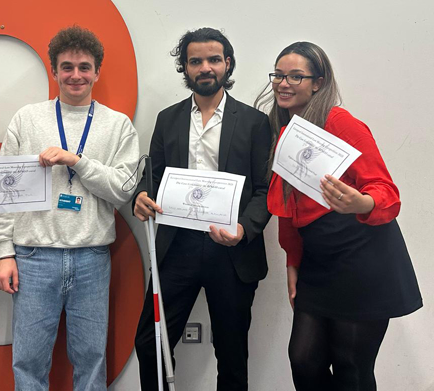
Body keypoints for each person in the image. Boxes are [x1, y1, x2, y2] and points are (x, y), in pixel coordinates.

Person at [256, 41, 422, 391]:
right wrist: (292, 264)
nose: (283, 83)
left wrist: (360, 203)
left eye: (295, 76)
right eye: (279, 75)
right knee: (303, 360)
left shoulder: (339, 122)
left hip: (363, 257)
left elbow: (386, 192)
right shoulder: (282, 128)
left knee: (352, 368)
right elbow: (289, 209)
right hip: (319, 261)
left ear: (318, 82)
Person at [0, 26, 139, 390]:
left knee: (91, 360)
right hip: (33, 257)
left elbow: (124, 189)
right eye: (67, 67)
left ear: (97, 72)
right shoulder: (27, 119)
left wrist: (78, 161)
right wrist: (3, 252)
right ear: (54, 70)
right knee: (28, 361)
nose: (76, 75)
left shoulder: (118, 125)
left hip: (91, 257)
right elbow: (2, 191)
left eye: (84, 67)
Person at [133, 27, 272, 390]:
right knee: (151, 344)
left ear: (227, 63)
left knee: (231, 352)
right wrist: (142, 195)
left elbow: (265, 190)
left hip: (231, 249)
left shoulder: (255, 122)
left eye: (213, 59)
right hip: (176, 247)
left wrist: (244, 228)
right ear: (185, 68)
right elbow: (154, 175)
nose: (205, 67)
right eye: (196, 61)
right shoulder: (168, 119)